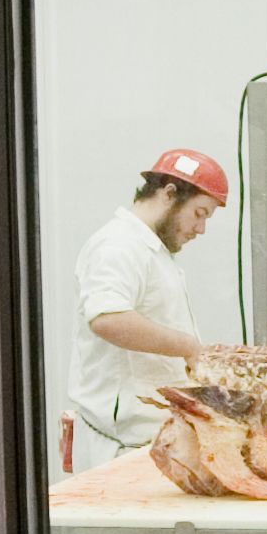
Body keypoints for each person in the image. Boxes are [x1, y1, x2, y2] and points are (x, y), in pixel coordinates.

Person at [66, 147, 227, 472]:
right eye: (199, 213)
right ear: (169, 194)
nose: (201, 229)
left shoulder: (151, 250)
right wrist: (189, 348)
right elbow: (108, 319)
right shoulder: (118, 245)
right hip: (120, 449)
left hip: (148, 441)